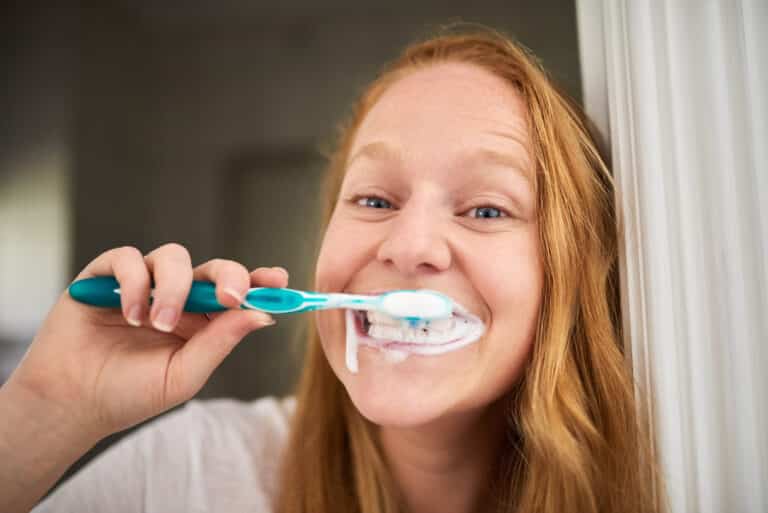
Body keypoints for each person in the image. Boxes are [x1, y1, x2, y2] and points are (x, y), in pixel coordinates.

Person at [0, 26, 665, 513]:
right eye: (374, 199)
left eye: (486, 209)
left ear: (568, 275)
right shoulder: (190, 475)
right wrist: (44, 408)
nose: (407, 246)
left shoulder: (667, 481)